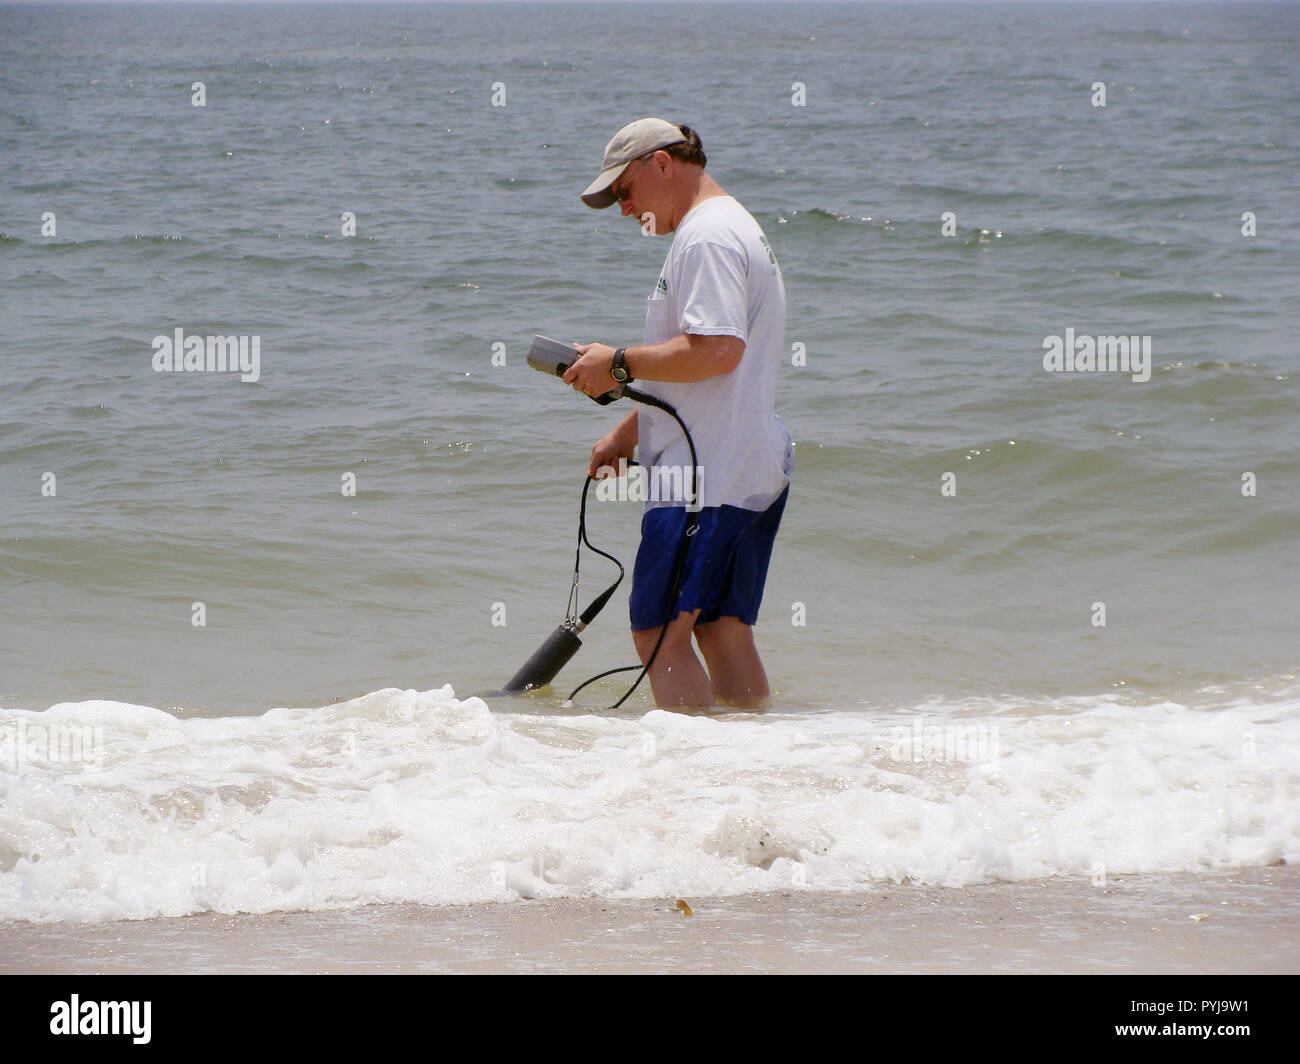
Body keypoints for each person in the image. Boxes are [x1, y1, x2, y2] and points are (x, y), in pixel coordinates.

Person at [562, 117, 792, 711]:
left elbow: (717, 351)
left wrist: (617, 363)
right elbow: (714, 370)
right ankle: (753, 760)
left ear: (662, 165)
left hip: (704, 476)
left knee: (659, 633)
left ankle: (693, 784)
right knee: (720, 629)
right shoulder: (732, 225)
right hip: (748, 464)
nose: (622, 208)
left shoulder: (706, 237)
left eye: (624, 191)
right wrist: (629, 431)